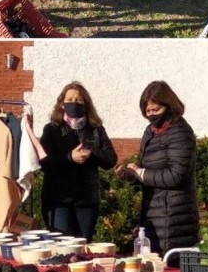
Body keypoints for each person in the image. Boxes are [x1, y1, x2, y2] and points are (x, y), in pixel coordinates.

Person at [115, 81, 198, 256]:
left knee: (168, 262)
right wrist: (132, 175)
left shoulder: (180, 132)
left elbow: (176, 175)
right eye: (148, 111)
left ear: (169, 106)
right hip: (152, 212)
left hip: (174, 216)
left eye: (156, 110)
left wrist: (141, 173)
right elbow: (149, 171)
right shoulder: (150, 131)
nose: (152, 115)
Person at [40, 82, 118, 240]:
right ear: (62, 104)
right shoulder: (52, 129)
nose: (74, 103)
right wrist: (69, 158)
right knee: (62, 247)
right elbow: (44, 162)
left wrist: (92, 155)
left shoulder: (96, 129)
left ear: (86, 104)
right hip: (58, 199)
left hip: (86, 200)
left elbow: (110, 160)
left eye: (79, 100)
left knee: (83, 246)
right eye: (69, 99)